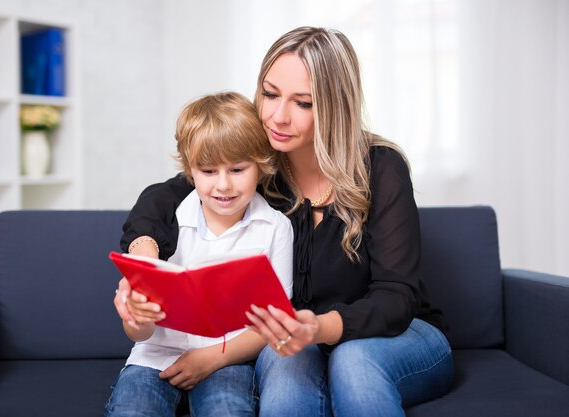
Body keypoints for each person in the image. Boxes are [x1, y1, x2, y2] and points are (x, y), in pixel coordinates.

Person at [117, 26, 453, 417]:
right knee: (285, 376)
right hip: (291, 339)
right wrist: (143, 260)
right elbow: (168, 193)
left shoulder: (381, 168)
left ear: (333, 107)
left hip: (395, 334)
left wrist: (319, 328)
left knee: (353, 362)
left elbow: (397, 298)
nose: (277, 116)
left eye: (303, 103)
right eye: (270, 94)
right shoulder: (260, 162)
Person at [106, 91, 294, 417]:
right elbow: (139, 332)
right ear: (191, 171)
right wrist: (135, 318)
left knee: (228, 411)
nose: (223, 185)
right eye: (208, 171)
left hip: (227, 361)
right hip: (154, 357)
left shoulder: (276, 228)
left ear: (261, 167)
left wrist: (213, 357)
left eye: (237, 170)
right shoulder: (168, 217)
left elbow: (275, 321)